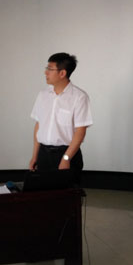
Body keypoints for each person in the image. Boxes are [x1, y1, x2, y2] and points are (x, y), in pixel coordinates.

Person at [29, 53, 93, 184]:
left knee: (67, 193)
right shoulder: (43, 95)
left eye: (50, 69)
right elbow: (38, 125)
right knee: (43, 192)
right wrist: (35, 155)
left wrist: (66, 158)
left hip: (66, 153)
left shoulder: (79, 97)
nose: (45, 72)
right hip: (43, 154)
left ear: (62, 73)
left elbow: (80, 132)